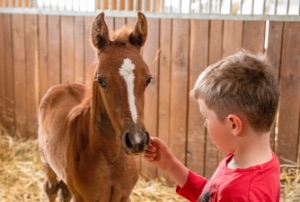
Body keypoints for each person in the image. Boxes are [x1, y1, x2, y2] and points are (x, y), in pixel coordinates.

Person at [144, 50, 280, 202]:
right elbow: (211, 196)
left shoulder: (239, 194)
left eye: (206, 117)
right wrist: (170, 165)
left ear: (234, 124)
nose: (204, 124)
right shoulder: (248, 161)